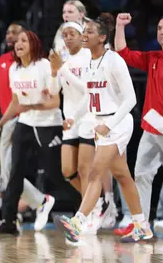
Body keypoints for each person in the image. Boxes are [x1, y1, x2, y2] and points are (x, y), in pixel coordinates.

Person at [54, 13, 153, 244]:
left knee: (95, 171)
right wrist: (74, 118)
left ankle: (78, 222)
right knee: (123, 175)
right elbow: (90, 96)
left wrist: (109, 125)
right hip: (101, 124)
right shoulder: (90, 61)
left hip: (118, 123)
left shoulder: (114, 60)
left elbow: (130, 100)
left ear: (102, 37)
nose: (84, 35)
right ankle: (142, 226)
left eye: (89, 32)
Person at [0, 22, 55, 231]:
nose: (12, 38)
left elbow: (51, 94)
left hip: (37, 118)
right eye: (9, 34)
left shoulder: (38, 64)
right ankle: (17, 215)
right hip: (13, 120)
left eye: (18, 35)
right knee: (10, 173)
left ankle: (32, 206)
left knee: (35, 171)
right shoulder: (4, 62)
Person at [0, 30, 65, 235]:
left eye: (24, 40)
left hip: (48, 124)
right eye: (17, 41)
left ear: (34, 44)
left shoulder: (44, 66)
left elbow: (55, 102)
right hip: (24, 123)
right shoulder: (14, 69)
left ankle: (84, 211)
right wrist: (1, 123)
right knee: (15, 173)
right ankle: (8, 221)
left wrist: (32, 106)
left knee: (55, 172)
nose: (18, 43)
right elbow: (16, 103)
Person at [49, 22, 115, 233]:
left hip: (88, 116)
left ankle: (89, 214)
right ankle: (96, 201)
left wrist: (62, 69)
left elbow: (86, 89)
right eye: (64, 34)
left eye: (72, 34)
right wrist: (54, 72)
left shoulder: (88, 57)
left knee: (85, 169)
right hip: (70, 119)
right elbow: (54, 90)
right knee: (68, 171)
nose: (68, 37)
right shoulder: (63, 60)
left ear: (81, 36)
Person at [114, 12, 163, 235]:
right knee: (142, 173)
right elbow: (123, 53)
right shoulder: (153, 57)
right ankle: (142, 226)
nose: (161, 32)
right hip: (151, 128)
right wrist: (119, 26)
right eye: (160, 28)